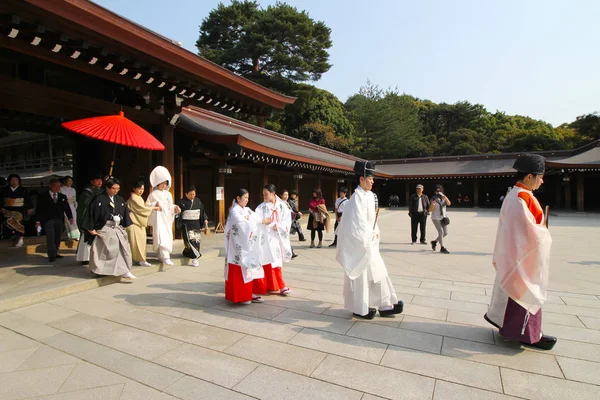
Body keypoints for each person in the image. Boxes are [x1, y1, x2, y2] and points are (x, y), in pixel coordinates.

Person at [484, 153, 557, 350]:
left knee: (513, 293)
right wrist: (544, 235)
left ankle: (513, 329)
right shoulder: (522, 198)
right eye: (539, 177)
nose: (541, 182)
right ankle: (527, 334)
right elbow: (530, 231)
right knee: (525, 293)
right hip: (522, 256)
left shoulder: (515, 195)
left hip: (514, 253)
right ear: (528, 177)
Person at [336, 161, 404, 319]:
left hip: (370, 242)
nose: (373, 181)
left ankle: (386, 305)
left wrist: (375, 233)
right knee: (363, 276)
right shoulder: (356, 198)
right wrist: (367, 237)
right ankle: (360, 308)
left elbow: (371, 220)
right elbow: (357, 223)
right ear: (361, 179)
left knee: (379, 273)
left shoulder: (369, 196)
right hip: (362, 244)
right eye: (370, 178)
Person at [82, 177, 136, 279]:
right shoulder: (98, 199)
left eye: (117, 189)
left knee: (123, 248)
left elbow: (124, 213)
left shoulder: (119, 199)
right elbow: (91, 213)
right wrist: (90, 228)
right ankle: (99, 270)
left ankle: (124, 270)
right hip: (104, 228)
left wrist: (123, 222)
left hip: (117, 227)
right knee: (103, 251)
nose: (116, 191)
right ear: (107, 188)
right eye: (113, 188)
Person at [224, 189, 268, 304]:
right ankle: (241, 296)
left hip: (247, 244)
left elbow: (254, 217)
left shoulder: (246, 210)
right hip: (237, 246)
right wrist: (256, 224)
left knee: (249, 270)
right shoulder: (234, 211)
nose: (247, 200)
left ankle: (249, 293)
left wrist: (263, 220)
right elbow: (242, 224)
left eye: (248, 198)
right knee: (239, 269)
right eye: (245, 198)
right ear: (238, 198)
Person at [254, 184, 292, 295]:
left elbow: (287, 220)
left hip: (277, 237)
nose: (264, 196)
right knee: (267, 260)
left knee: (276, 261)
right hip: (266, 237)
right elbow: (256, 220)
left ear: (273, 193)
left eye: (266, 194)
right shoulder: (261, 207)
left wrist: (279, 226)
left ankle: (280, 285)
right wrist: (263, 221)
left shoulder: (282, 205)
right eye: (263, 194)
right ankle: (273, 285)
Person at [146, 166, 181, 265]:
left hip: (166, 218)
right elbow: (147, 205)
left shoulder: (168, 194)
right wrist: (155, 204)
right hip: (158, 218)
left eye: (165, 183)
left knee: (167, 236)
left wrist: (175, 208)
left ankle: (162, 256)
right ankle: (165, 257)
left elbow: (170, 205)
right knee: (160, 236)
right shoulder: (153, 194)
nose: (164, 185)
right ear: (158, 183)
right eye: (162, 183)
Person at [35, 179, 73, 262]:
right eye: (55, 186)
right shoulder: (43, 196)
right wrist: (37, 221)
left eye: (59, 186)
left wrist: (70, 217)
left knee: (57, 236)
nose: (57, 188)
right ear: (50, 186)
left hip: (59, 219)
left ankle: (56, 252)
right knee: (50, 237)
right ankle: (51, 254)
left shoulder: (62, 196)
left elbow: (67, 208)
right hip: (48, 220)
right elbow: (39, 209)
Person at [126, 180, 159, 267]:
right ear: (134, 189)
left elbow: (143, 207)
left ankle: (140, 259)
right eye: (139, 189)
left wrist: (153, 206)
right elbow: (142, 209)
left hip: (138, 221)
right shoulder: (133, 197)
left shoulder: (138, 197)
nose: (141, 191)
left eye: (142, 189)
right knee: (135, 242)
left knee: (141, 241)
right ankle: (138, 259)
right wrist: (154, 208)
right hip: (133, 222)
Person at [176, 186, 208, 267]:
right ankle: (194, 258)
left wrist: (205, 219)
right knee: (190, 240)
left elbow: (202, 211)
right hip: (187, 224)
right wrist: (177, 212)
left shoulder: (198, 201)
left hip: (196, 223)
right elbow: (177, 214)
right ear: (186, 194)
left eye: (193, 194)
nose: (192, 196)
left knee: (196, 240)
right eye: (190, 194)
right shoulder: (181, 202)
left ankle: (187, 252)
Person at [76, 173, 104, 265]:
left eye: (100, 180)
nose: (99, 182)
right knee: (86, 238)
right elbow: (85, 205)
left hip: (98, 218)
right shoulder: (88, 192)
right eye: (97, 180)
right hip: (89, 217)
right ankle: (85, 257)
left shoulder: (102, 191)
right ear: (92, 182)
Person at [1, 173, 33, 247]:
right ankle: (8, 238)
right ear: (9, 181)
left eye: (16, 180)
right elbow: (1, 200)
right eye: (12, 180)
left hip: (19, 210)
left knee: (20, 224)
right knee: (8, 223)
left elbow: (27, 200)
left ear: (19, 181)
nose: (14, 182)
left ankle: (20, 239)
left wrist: (29, 208)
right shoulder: (4, 190)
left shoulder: (23, 190)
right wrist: (1, 207)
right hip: (8, 209)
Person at [429, 184, 452, 254]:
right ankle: (442, 247)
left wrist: (445, 197)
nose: (438, 193)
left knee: (445, 233)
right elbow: (430, 210)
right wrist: (433, 204)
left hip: (443, 217)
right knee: (441, 231)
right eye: (437, 191)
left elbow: (449, 204)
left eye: (440, 191)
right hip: (436, 217)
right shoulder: (433, 199)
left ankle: (434, 242)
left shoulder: (444, 198)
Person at [60, 176, 79, 240]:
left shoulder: (73, 190)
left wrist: (75, 205)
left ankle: (71, 234)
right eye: (68, 181)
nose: (70, 182)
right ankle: (74, 235)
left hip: (72, 206)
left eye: (71, 181)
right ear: (65, 181)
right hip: (65, 207)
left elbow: (74, 199)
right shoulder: (61, 189)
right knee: (68, 221)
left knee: (74, 221)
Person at [281, 190, 298, 258]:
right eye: (284, 195)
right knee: (284, 239)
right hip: (282, 224)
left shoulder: (286, 203)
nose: (286, 196)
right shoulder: (280, 203)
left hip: (287, 223)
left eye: (287, 195)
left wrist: (296, 214)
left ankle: (290, 252)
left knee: (286, 239)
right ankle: (290, 252)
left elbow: (290, 211)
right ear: (281, 195)